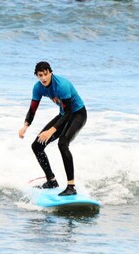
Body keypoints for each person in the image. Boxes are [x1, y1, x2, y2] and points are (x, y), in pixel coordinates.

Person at [18, 61, 87, 196]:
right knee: (37, 146)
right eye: (40, 75)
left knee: (63, 143)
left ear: (50, 73)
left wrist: (51, 131)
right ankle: (51, 181)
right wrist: (25, 126)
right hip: (63, 115)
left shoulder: (62, 86)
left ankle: (71, 187)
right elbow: (32, 109)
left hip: (78, 114)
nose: (43, 78)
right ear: (36, 76)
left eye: (45, 74)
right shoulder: (38, 88)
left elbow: (69, 113)